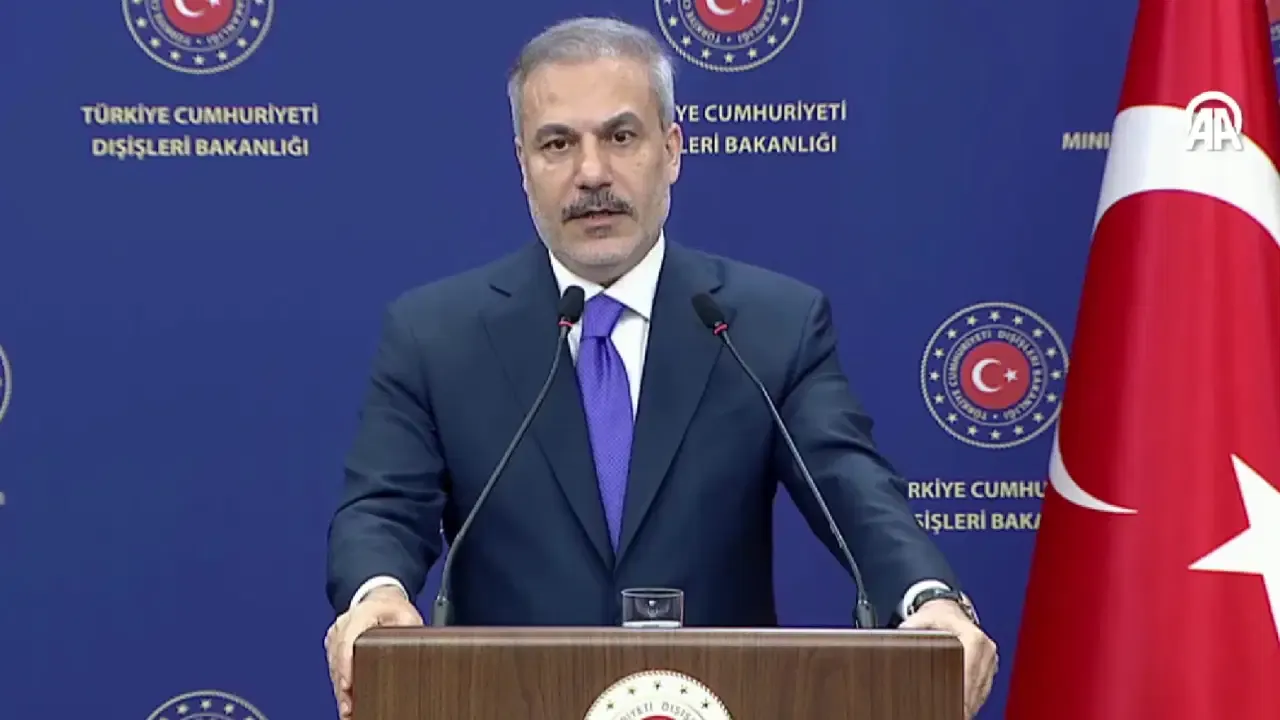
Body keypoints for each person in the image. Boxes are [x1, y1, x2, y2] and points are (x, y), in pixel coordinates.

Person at [323, 15, 997, 719]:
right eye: (558, 144)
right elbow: (382, 508)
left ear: (671, 150)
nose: (592, 174)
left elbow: (854, 489)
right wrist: (378, 593)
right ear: (523, 165)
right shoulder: (436, 335)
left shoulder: (769, 325)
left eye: (621, 137)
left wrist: (926, 597)